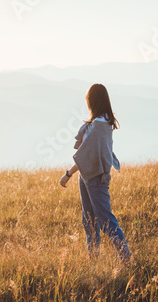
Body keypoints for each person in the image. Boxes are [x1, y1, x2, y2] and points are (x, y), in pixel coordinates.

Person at [60, 83, 131, 264]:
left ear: (92, 101)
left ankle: (126, 260)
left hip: (95, 178)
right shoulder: (100, 121)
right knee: (89, 220)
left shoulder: (99, 125)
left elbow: (84, 154)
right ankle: (93, 261)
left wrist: (68, 174)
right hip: (87, 176)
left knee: (105, 221)